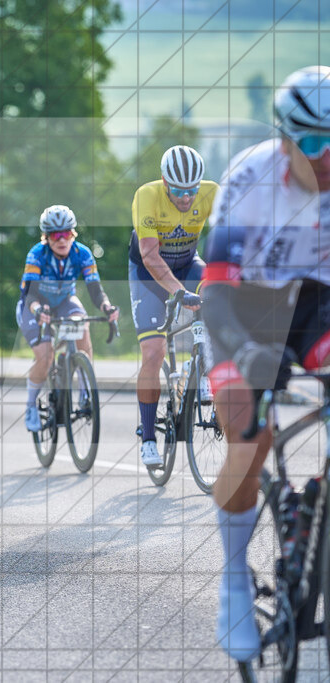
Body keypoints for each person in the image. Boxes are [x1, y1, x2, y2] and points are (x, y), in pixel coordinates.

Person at [201, 65, 330, 663]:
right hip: (244, 306)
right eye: (312, 142)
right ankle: (233, 580)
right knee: (248, 433)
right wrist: (249, 352)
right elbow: (215, 292)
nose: (326, 157)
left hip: (315, 302)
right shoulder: (249, 180)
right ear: (284, 141)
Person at [129, 145, 218, 467]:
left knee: (220, 297)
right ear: (165, 183)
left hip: (188, 263)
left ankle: (206, 363)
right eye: (179, 191)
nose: (186, 197)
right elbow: (150, 256)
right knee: (153, 352)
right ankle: (148, 437)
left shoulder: (211, 192)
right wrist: (180, 292)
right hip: (147, 274)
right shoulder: (147, 196)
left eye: (192, 190)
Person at [18, 206, 119, 431]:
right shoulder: (37, 254)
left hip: (64, 301)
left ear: (73, 233)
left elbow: (95, 289)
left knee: (81, 323)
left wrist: (106, 306)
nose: (62, 240)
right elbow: (30, 294)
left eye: (66, 233)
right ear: (46, 237)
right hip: (35, 305)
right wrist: (37, 310)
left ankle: (84, 391)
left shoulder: (83, 253)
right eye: (55, 235)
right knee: (45, 357)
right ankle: (31, 405)